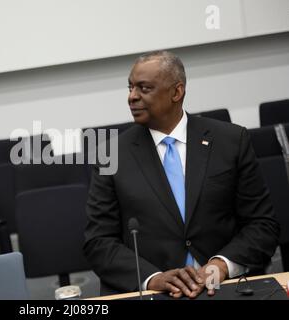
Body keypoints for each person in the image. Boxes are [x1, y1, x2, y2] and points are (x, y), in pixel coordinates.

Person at [83, 51, 280, 298]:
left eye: (144, 88)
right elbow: (98, 242)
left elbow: (262, 224)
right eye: (130, 87)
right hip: (157, 293)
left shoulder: (231, 141)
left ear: (177, 92)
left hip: (225, 287)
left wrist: (220, 266)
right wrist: (153, 279)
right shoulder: (110, 154)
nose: (132, 97)